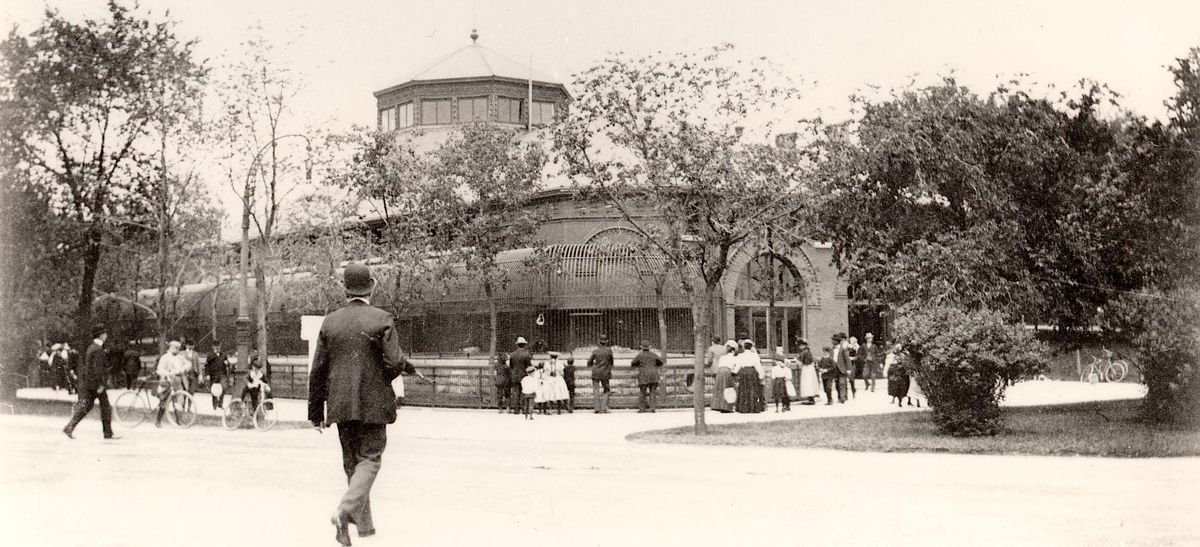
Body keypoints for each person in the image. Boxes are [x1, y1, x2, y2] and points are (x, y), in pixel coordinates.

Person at [308, 263, 410, 546]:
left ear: (344, 288)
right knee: (371, 459)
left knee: (352, 464)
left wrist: (316, 412)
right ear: (372, 287)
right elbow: (395, 362)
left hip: (340, 404)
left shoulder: (330, 322)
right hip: (374, 404)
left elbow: (318, 370)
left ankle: (359, 527)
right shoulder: (382, 319)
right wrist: (380, 378)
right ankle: (344, 511)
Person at [62, 326, 117, 440]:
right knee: (105, 408)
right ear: (101, 335)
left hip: (91, 384)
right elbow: (97, 369)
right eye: (105, 333)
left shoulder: (92, 347)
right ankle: (107, 433)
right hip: (96, 385)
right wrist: (101, 384)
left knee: (88, 406)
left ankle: (70, 427)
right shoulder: (97, 349)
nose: (106, 336)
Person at [154, 340, 185, 427]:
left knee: (179, 402)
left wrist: (183, 369)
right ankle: (158, 421)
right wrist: (167, 373)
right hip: (167, 382)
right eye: (174, 347)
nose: (176, 349)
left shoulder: (180, 358)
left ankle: (178, 421)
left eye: (178, 348)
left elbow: (187, 364)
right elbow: (160, 369)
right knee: (164, 402)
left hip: (177, 383)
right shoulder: (165, 357)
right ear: (170, 348)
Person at [732, 340, 765, 413]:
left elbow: (738, 366)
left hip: (744, 373)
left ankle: (744, 408)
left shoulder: (740, 356)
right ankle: (754, 407)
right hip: (752, 373)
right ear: (751, 347)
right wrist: (761, 375)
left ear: (744, 347)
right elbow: (758, 366)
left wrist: (734, 372)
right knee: (753, 390)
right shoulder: (755, 355)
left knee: (744, 390)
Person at [631, 341, 663, 413]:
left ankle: (642, 409)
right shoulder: (654, 355)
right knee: (653, 392)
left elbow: (633, 363)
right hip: (654, 375)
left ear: (641, 347)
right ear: (649, 347)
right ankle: (652, 408)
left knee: (642, 392)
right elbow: (660, 362)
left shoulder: (639, 355)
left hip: (643, 375)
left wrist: (639, 365)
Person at [587, 334, 614, 414]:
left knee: (596, 390)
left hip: (596, 372)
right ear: (607, 341)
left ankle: (597, 408)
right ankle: (604, 408)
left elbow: (589, 362)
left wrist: (594, 364)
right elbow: (611, 362)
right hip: (605, 372)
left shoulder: (595, 351)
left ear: (599, 341)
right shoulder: (609, 351)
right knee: (606, 390)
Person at [710, 340, 738, 413]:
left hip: (720, 372)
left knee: (720, 388)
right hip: (727, 372)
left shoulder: (722, 357)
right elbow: (734, 368)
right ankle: (727, 406)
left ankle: (717, 405)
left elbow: (719, 365)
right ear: (733, 351)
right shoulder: (734, 358)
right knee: (728, 389)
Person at [509, 337, 532, 415]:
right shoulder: (526, 354)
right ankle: (524, 409)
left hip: (515, 376)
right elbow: (529, 366)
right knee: (524, 392)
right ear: (524, 345)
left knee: (516, 393)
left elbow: (511, 366)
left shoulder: (512, 354)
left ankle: (516, 409)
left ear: (517, 345)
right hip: (524, 376)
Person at [205, 341, 231, 409]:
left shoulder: (223, 354)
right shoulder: (210, 355)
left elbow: (228, 364)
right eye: (216, 346)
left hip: (222, 374)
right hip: (213, 375)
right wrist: (207, 374)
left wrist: (227, 363)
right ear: (213, 347)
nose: (218, 348)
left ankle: (220, 403)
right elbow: (207, 366)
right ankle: (215, 404)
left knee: (224, 387)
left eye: (219, 346)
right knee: (214, 389)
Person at [795, 339, 820, 404]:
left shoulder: (803, 352)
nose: (799, 347)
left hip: (806, 368)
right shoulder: (808, 351)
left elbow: (800, 363)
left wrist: (796, 360)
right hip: (811, 368)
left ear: (802, 345)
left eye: (800, 346)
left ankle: (810, 399)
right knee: (811, 382)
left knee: (807, 383)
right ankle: (811, 398)